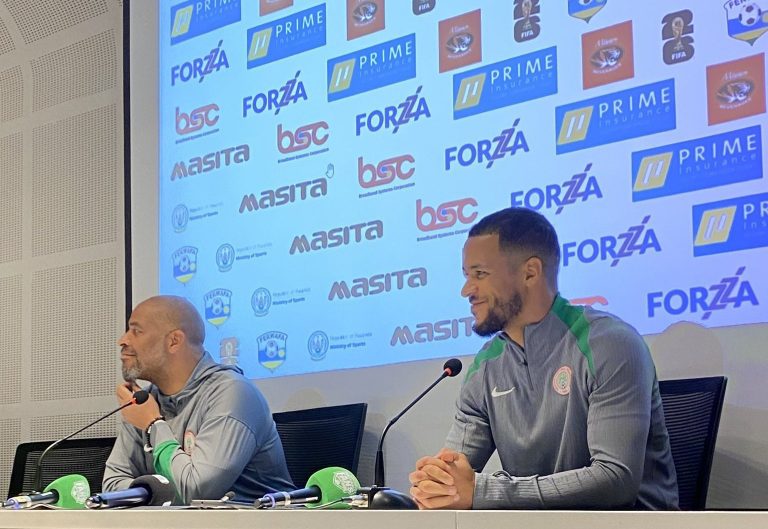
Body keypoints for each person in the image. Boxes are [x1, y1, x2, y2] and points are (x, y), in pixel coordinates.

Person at [408, 208, 678, 510]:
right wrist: (437, 485)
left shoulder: (609, 343)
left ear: (530, 272)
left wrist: (484, 491)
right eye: (466, 276)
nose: (466, 290)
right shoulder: (485, 367)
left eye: (480, 274)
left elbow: (616, 479)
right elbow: (455, 476)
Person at [102, 295, 294, 504]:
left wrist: (153, 424)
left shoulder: (234, 392)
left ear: (174, 341)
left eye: (136, 331)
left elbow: (196, 491)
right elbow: (112, 486)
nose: (123, 340)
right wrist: (155, 492)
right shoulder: (145, 400)